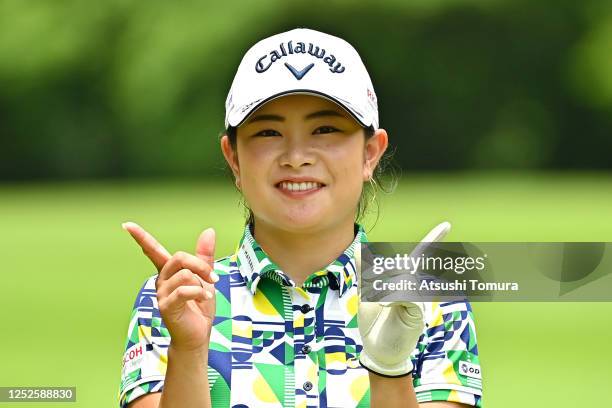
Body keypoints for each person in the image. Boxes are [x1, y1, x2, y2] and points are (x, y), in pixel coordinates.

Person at [117, 27, 482, 408]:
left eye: (325, 129)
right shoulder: (176, 301)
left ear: (370, 153)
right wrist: (189, 350)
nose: (296, 156)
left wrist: (389, 366)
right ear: (234, 159)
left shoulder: (428, 302)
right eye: (269, 132)